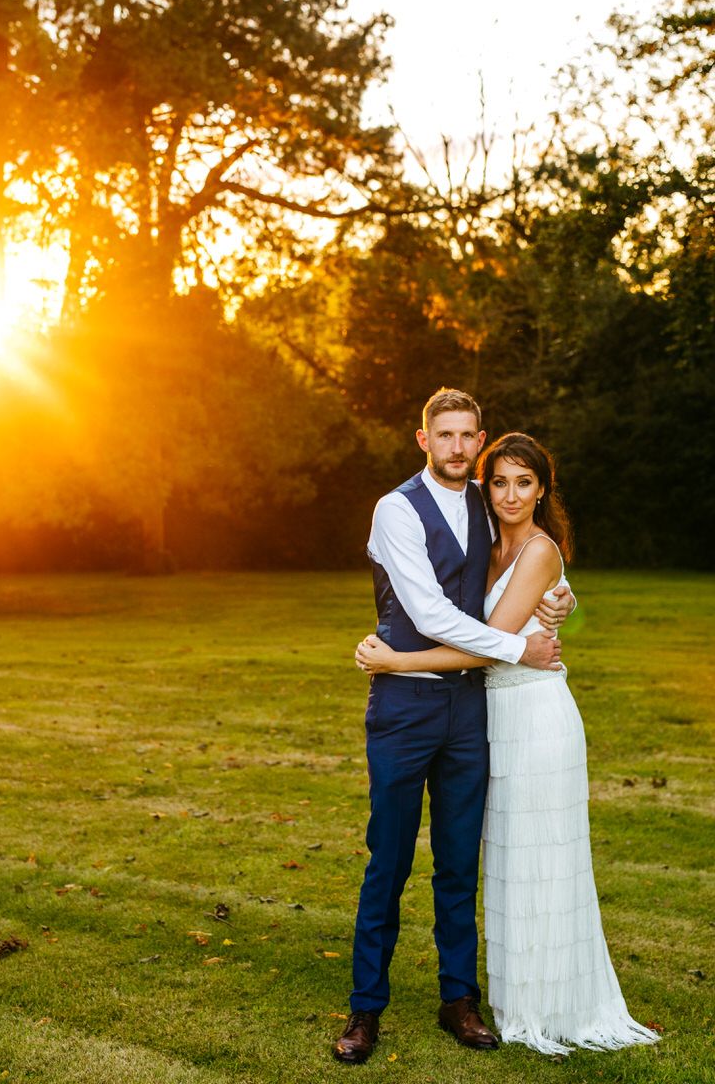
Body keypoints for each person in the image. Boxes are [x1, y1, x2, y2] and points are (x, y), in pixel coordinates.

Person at [356, 431, 659, 1056]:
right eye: (500, 481)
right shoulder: (479, 532)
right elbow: (472, 621)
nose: (510, 492)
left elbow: (485, 639)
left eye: (524, 482)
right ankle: (488, 999)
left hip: (534, 717)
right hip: (492, 716)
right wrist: (544, 623)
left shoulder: (539, 549)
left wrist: (396, 663)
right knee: (507, 863)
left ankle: (538, 1003)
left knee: (533, 861)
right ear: (484, 485)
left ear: (543, 489)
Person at [333, 389, 575, 1066]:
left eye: (469, 436)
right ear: (423, 440)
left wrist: (561, 604)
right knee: (389, 860)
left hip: (471, 709)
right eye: (446, 435)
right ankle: (365, 1009)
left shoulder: (487, 502)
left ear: (480, 438)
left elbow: (528, 571)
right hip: (404, 708)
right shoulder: (395, 510)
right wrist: (518, 649)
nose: (458, 448)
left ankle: (458, 1000)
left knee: (459, 863)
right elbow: (434, 613)